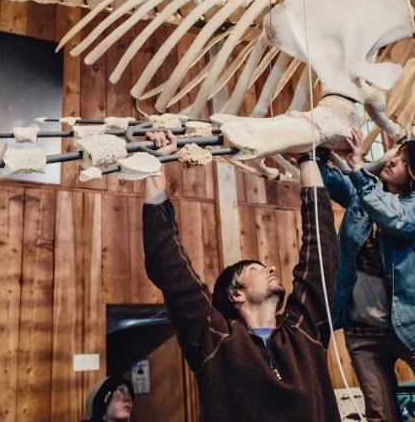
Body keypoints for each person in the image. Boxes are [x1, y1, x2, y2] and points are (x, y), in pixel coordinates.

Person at [141, 131, 340, 421]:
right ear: (236, 294)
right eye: (256, 269)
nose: (272, 268)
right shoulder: (216, 341)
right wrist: (153, 168)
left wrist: (309, 160)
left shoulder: (304, 332)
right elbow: (170, 268)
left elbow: (321, 253)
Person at [318, 129, 415, 422]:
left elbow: (398, 220)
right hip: (363, 330)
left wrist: (358, 172)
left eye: (405, 161)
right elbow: (328, 181)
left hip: (412, 322)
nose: (394, 160)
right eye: (398, 154)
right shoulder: (363, 190)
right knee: (381, 416)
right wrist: (319, 152)